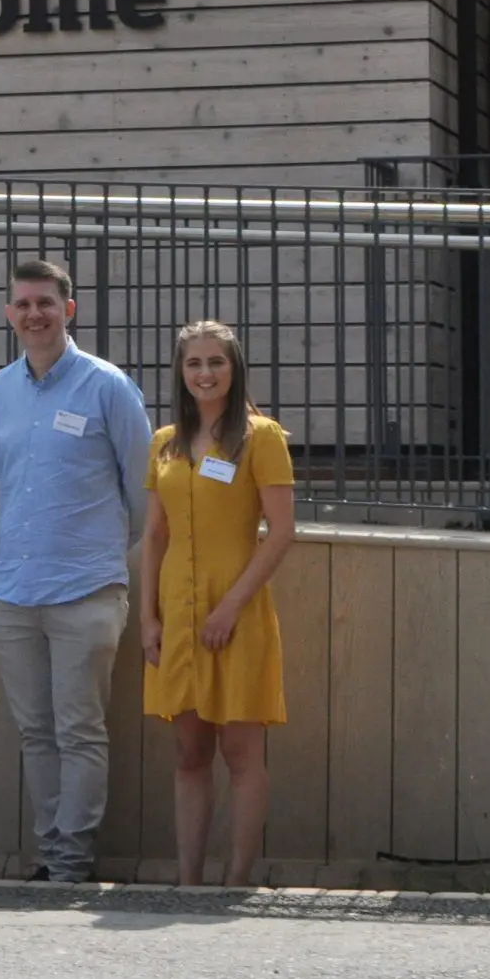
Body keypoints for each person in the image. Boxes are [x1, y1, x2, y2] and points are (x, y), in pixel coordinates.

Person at [0, 258, 151, 883]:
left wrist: (102, 556)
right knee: (36, 733)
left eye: (45, 303)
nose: (34, 314)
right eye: (22, 304)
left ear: (68, 309)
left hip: (85, 589)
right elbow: (8, 478)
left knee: (79, 730)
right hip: (14, 592)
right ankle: (51, 853)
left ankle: (72, 863)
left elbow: (142, 492)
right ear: (8, 314)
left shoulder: (108, 386)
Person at [139, 320, 295, 886]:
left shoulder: (262, 436)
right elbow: (155, 534)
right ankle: (188, 881)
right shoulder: (164, 442)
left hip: (238, 612)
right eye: (194, 364)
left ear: (235, 368)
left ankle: (235, 881)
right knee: (188, 752)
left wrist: (230, 606)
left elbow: (280, 531)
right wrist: (148, 618)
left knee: (241, 752)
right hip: (177, 614)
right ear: (181, 374)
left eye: (216, 363)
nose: (205, 374)